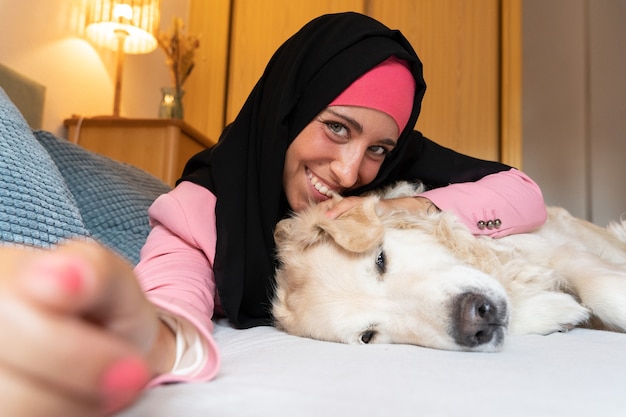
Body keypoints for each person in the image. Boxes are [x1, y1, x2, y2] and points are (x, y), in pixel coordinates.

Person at [0, 12, 546, 417]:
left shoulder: (391, 171)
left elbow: (524, 194)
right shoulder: (206, 203)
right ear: (289, 110)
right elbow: (170, 294)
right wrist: (143, 337)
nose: (353, 171)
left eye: (379, 148)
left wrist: (404, 206)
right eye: (336, 127)